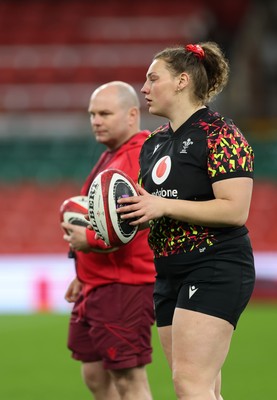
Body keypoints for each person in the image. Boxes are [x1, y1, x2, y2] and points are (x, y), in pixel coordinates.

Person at [117, 42, 255, 400]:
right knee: (203, 388)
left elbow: (234, 210)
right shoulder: (153, 143)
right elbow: (159, 207)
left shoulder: (221, 134)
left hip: (215, 264)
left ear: (181, 81)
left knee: (189, 385)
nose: (143, 89)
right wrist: (132, 215)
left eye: (152, 79)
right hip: (168, 272)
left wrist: (161, 205)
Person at [61, 81, 156, 400]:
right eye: (91, 114)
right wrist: (82, 275)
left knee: (128, 379)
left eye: (104, 113)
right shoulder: (113, 156)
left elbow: (134, 223)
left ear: (132, 115)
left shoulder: (137, 156)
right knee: (95, 374)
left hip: (124, 285)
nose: (95, 121)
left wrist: (87, 239)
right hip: (98, 282)